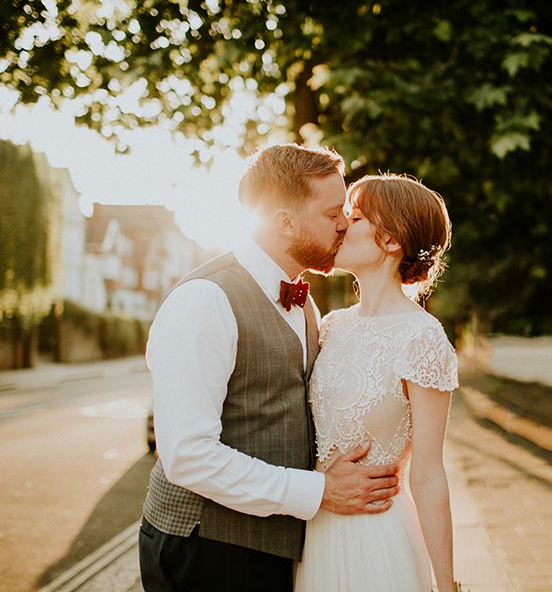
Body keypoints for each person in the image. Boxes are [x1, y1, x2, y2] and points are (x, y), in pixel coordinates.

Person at [139, 144, 402, 592]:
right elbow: (186, 455)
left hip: (276, 550)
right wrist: (318, 492)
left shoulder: (305, 303)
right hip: (205, 550)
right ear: (285, 221)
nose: (344, 224)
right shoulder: (206, 300)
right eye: (332, 212)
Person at [294, 174, 460, 592]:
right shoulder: (330, 326)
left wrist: (446, 584)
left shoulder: (421, 337)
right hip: (314, 535)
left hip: (376, 543)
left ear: (391, 240)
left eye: (356, 215)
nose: (342, 224)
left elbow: (428, 474)